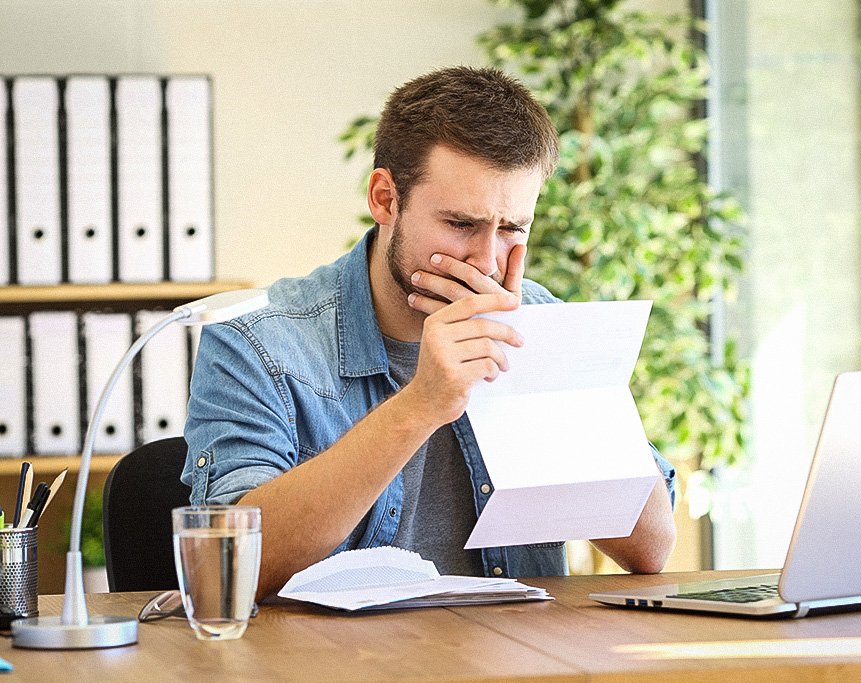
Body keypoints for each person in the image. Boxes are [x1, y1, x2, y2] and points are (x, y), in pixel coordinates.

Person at [183, 66, 677, 600]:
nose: (487, 259)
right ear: (384, 199)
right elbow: (229, 569)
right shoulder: (256, 344)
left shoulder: (537, 319)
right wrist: (421, 405)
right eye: (461, 225)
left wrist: (534, 367)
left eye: (511, 229)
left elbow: (650, 548)